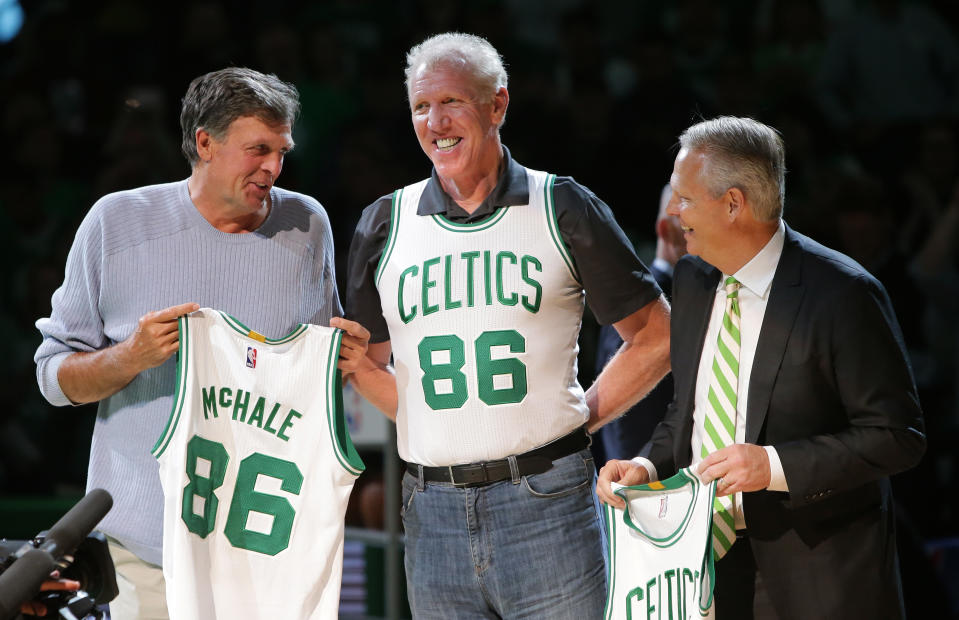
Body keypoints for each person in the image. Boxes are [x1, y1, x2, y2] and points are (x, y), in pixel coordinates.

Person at [345, 32, 670, 619]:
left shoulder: (562, 205)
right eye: (421, 106)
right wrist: (432, 418)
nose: (435, 121)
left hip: (548, 503)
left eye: (452, 102)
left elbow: (657, 337)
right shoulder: (382, 223)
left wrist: (578, 421)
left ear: (498, 105)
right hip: (431, 509)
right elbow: (364, 364)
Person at [34, 67, 369, 620]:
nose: (274, 168)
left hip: (267, 554)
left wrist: (343, 360)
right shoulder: (115, 223)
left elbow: (307, 377)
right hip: (146, 553)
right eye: (258, 149)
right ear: (204, 143)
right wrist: (130, 357)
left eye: (282, 150)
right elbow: (52, 379)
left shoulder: (307, 223)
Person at [596, 116, 926, 619]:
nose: (673, 213)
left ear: (733, 204)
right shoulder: (692, 278)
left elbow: (897, 435)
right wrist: (645, 466)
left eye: (684, 198)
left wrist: (770, 466)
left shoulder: (843, 293)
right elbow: (689, 410)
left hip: (820, 572)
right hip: (704, 562)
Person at [594, 183, 686, 463]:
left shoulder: (686, 293)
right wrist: (635, 483)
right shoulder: (644, 300)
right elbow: (625, 408)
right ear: (666, 230)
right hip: (645, 476)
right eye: (689, 228)